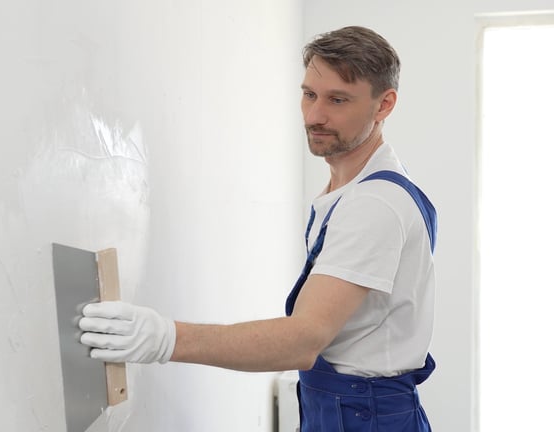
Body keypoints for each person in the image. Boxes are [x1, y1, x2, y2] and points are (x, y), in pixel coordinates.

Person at [78, 25, 436, 431]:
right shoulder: (354, 188)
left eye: (338, 100)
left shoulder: (374, 203)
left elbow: (303, 340)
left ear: (384, 104)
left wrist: (165, 338)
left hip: (363, 416)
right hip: (341, 407)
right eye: (309, 94)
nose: (315, 115)